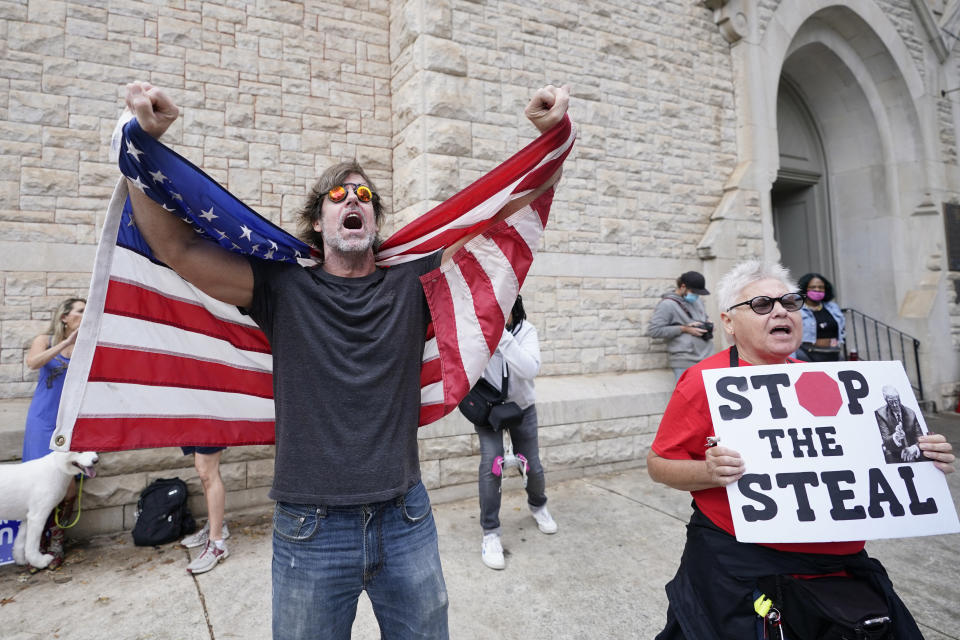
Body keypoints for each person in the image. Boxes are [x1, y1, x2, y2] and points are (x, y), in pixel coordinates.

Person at [123, 80, 569, 639]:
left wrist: (551, 140)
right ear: (318, 222)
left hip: (406, 518)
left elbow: (508, 207)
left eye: (362, 197)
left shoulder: (415, 282)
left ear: (375, 221)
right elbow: (178, 249)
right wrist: (139, 142)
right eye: (337, 197)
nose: (352, 200)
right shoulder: (282, 288)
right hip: (309, 529)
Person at [646, 259, 955, 639]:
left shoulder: (823, 379)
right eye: (761, 305)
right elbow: (659, 463)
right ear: (728, 322)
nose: (780, 311)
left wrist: (923, 456)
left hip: (838, 570)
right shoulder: (703, 381)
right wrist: (707, 473)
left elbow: (866, 454)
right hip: (743, 567)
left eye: (789, 303)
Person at [475, 295, 556, 571]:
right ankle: (491, 533)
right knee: (492, 464)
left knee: (531, 464)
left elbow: (529, 369)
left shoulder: (526, 331)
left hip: (522, 409)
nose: (497, 315)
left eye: (503, 310)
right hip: (489, 411)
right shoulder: (477, 330)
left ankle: (538, 505)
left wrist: (502, 338)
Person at [22, 297, 86, 570]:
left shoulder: (87, 348)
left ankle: (57, 540)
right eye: (80, 311)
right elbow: (33, 363)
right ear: (65, 317)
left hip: (69, 426)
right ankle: (34, 545)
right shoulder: (45, 340)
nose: (85, 314)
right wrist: (65, 343)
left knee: (67, 490)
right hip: (42, 421)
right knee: (36, 487)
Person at [647, 271, 715, 379]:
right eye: (694, 291)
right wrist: (684, 329)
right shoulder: (667, 304)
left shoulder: (698, 301)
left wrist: (708, 323)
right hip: (684, 361)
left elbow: (704, 317)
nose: (696, 295)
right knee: (689, 395)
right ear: (683, 286)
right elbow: (654, 331)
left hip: (708, 357)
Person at [179, 446, 230, 574]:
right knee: (205, 472)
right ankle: (216, 527)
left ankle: (217, 544)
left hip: (211, 425)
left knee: (206, 471)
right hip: (193, 425)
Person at [794, 271, 845, 361]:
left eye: (821, 287)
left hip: (833, 353)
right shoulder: (797, 309)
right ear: (805, 289)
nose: (817, 290)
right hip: (806, 355)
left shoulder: (833, 307)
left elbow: (842, 329)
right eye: (813, 287)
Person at [875, 385, 924, 464]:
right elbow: (886, 440)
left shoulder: (911, 413)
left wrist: (915, 447)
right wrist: (895, 437)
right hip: (895, 454)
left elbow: (920, 437)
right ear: (886, 400)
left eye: (896, 401)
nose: (895, 405)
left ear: (899, 398)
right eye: (891, 402)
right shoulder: (880, 414)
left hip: (913, 452)